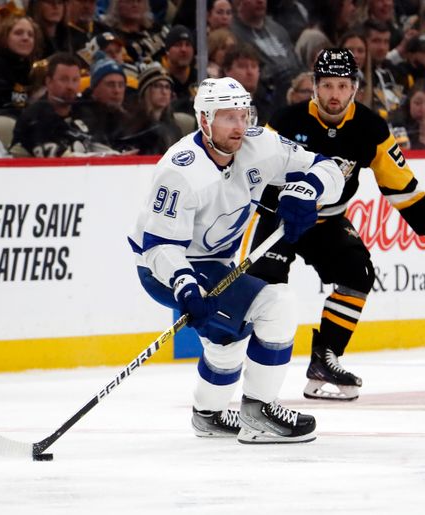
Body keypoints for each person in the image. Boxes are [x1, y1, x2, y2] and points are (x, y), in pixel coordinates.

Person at [128, 76, 345, 443]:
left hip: (215, 262)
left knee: (227, 338)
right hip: (164, 267)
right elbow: (160, 246)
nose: (240, 126)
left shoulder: (261, 145)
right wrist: (184, 284)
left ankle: (209, 415)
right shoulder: (179, 170)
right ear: (204, 121)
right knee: (276, 306)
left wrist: (308, 190)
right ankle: (259, 411)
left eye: (244, 115)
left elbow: (331, 167)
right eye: (228, 117)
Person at [247, 49, 425, 401]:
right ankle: (243, 366)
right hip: (279, 219)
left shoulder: (370, 127)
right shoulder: (285, 121)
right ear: (314, 86)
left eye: (343, 86)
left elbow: (400, 185)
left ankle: (324, 359)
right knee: (265, 294)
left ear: (355, 88)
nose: (334, 94)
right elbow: (253, 176)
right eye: (327, 85)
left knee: (358, 273)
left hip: (327, 222)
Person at [12, 52, 97, 156]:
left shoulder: (84, 112)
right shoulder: (35, 115)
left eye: (75, 80)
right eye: (63, 79)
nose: (70, 86)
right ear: (48, 81)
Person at [0, 15, 39, 114]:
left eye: (30, 35)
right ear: (4, 37)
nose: (25, 38)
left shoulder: (27, 67)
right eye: (18, 33)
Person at [120, 62, 182, 154]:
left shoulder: (174, 128)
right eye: (157, 86)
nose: (164, 92)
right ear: (146, 91)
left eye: (167, 87)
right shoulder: (133, 126)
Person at [388, 78, 425, 149]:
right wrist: (424, 136)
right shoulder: (396, 124)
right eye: (417, 103)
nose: (423, 109)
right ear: (409, 103)